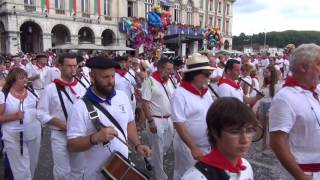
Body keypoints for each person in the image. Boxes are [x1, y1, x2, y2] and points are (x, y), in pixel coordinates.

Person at [67, 56, 151, 180]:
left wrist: (137, 144)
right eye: (105, 77)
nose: (111, 81)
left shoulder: (122, 96)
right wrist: (94, 138)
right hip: (95, 174)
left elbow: (129, 123)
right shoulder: (80, 107)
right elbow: (72, 145)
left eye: (112, 76)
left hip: (122, 166)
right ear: (92, 77)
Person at [270, 44, 320, 180]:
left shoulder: (315, 91)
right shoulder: (285, 97)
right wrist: (301, 176)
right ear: (303, 67)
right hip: (305, 172)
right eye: (319, 64)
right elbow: (277, 142)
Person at [37, 53, 87, 180]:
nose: (73, 69)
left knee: (79, 169)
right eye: (69, 66)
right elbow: (40, 113)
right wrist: (56, 122)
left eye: (75, 66)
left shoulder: (82, 87)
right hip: (59, 134)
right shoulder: (50, 89)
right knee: (62, 172)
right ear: (60, 67)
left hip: (79, 134)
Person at [181, 97, 256, 179]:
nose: (245, 140)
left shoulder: (246, 166)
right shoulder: (196, 177)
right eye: (235, 131)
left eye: (249, 130)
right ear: (215, 132)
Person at [171, 54, 214, 179]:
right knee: (185, 175)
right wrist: (193, 148)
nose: (209, 77)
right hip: (188, 147)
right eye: (206, 74)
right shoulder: (179, 94)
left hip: (205, 145)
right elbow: (179, 124)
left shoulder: (205, 92)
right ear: (194, 75)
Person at [0, 68, 40, 180]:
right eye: (21, 78)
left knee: (32, 165)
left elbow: (40, 109)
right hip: (13, 137)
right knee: (21, 171)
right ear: (13, 80)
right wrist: (14, 117)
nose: (25, 80)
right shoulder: (4, 95)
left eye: (26, 77)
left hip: (34, 134)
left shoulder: (32, 92)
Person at [141, 57, 175, 179]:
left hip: (169, 119)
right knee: (159, 150)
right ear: (161, 68)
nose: (171, 72)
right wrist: (150, 121)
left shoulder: (170, 81)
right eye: (169, 69)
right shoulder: (149, 81)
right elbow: (144, 102)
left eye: (172, 69)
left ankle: (150, 158)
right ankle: (160, 176)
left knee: (165, 145)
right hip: (155, 119)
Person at [258, 66, 281, 153]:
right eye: (264, 72)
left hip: (270, 107)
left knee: (269, 129)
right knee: (263, 128)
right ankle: (263, 145)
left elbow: (276, 100)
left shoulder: (277, 86)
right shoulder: (265, 84)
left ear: (272, 73)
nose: (265, 74)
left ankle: (270, 148)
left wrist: (270, 110)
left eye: (267, 72)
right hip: (263, 105)